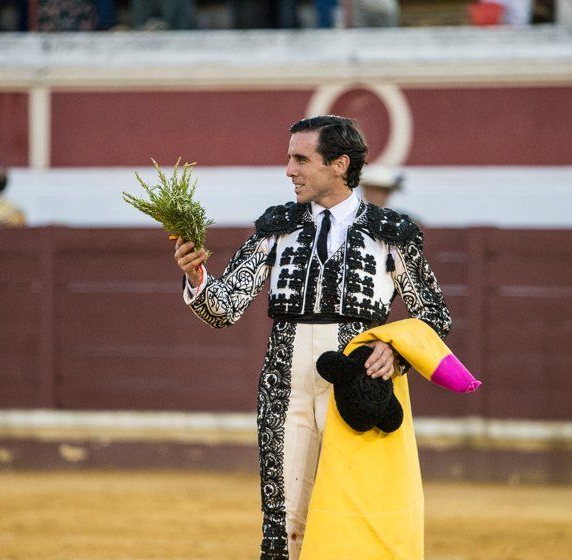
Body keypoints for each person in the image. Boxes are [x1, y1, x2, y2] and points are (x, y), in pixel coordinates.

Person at [173, 115, 451, 560]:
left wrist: (394, 350)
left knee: (355, 517)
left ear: (340, 164)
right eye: (289, 158)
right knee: (284, 526)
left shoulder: (391, 234)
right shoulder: (275, 227)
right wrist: (196, 275)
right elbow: (224, 309)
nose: (289, 170)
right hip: (286, 391)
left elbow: (434, 316)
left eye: (301, 159)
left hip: (357, 391)